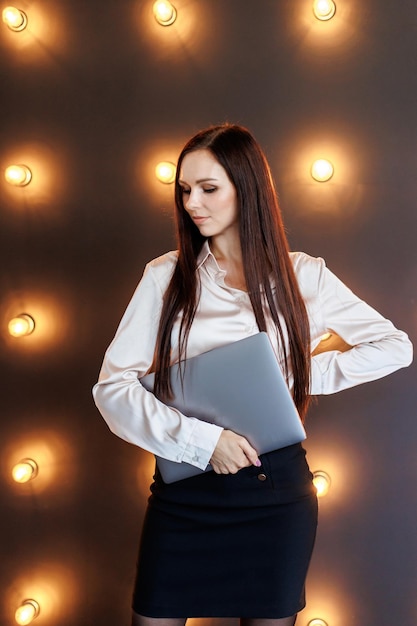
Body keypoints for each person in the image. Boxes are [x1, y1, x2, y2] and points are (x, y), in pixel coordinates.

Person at [93, 124, 412, 626]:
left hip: (275, 496)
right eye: (184, 190)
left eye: (208, 188)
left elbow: (395, 347)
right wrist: (203, 442)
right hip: (184, 495)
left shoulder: (305, 275)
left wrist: (294, 381)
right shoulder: (165, 276)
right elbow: (112, 389)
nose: (191, 202)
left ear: (248, 187)